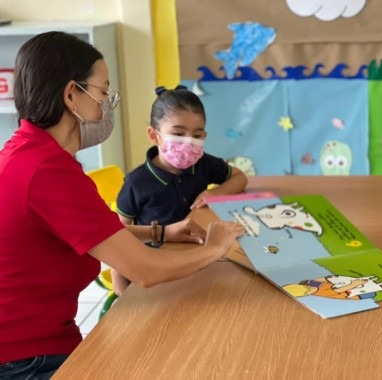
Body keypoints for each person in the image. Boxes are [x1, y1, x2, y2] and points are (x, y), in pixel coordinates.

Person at [0, 31, 244, 379]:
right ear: (72, 94)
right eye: (103, 92)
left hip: (35, 343)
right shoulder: (47, 170)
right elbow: (146, 271)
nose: (107, 105)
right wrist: (215, 247)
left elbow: (82, 232)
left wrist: (159, 231)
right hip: (25, 358)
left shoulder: (27, 152)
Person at [113, 86, 248, 295]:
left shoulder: (203, 164)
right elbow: (117, 237)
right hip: (155, 272)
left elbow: (240, 177)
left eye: (197, 135)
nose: (188, 142)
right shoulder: (136, 183)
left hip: (196, 261)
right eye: (177, 133)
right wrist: (121, 289)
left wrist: (215, 193)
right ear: (154, 135)